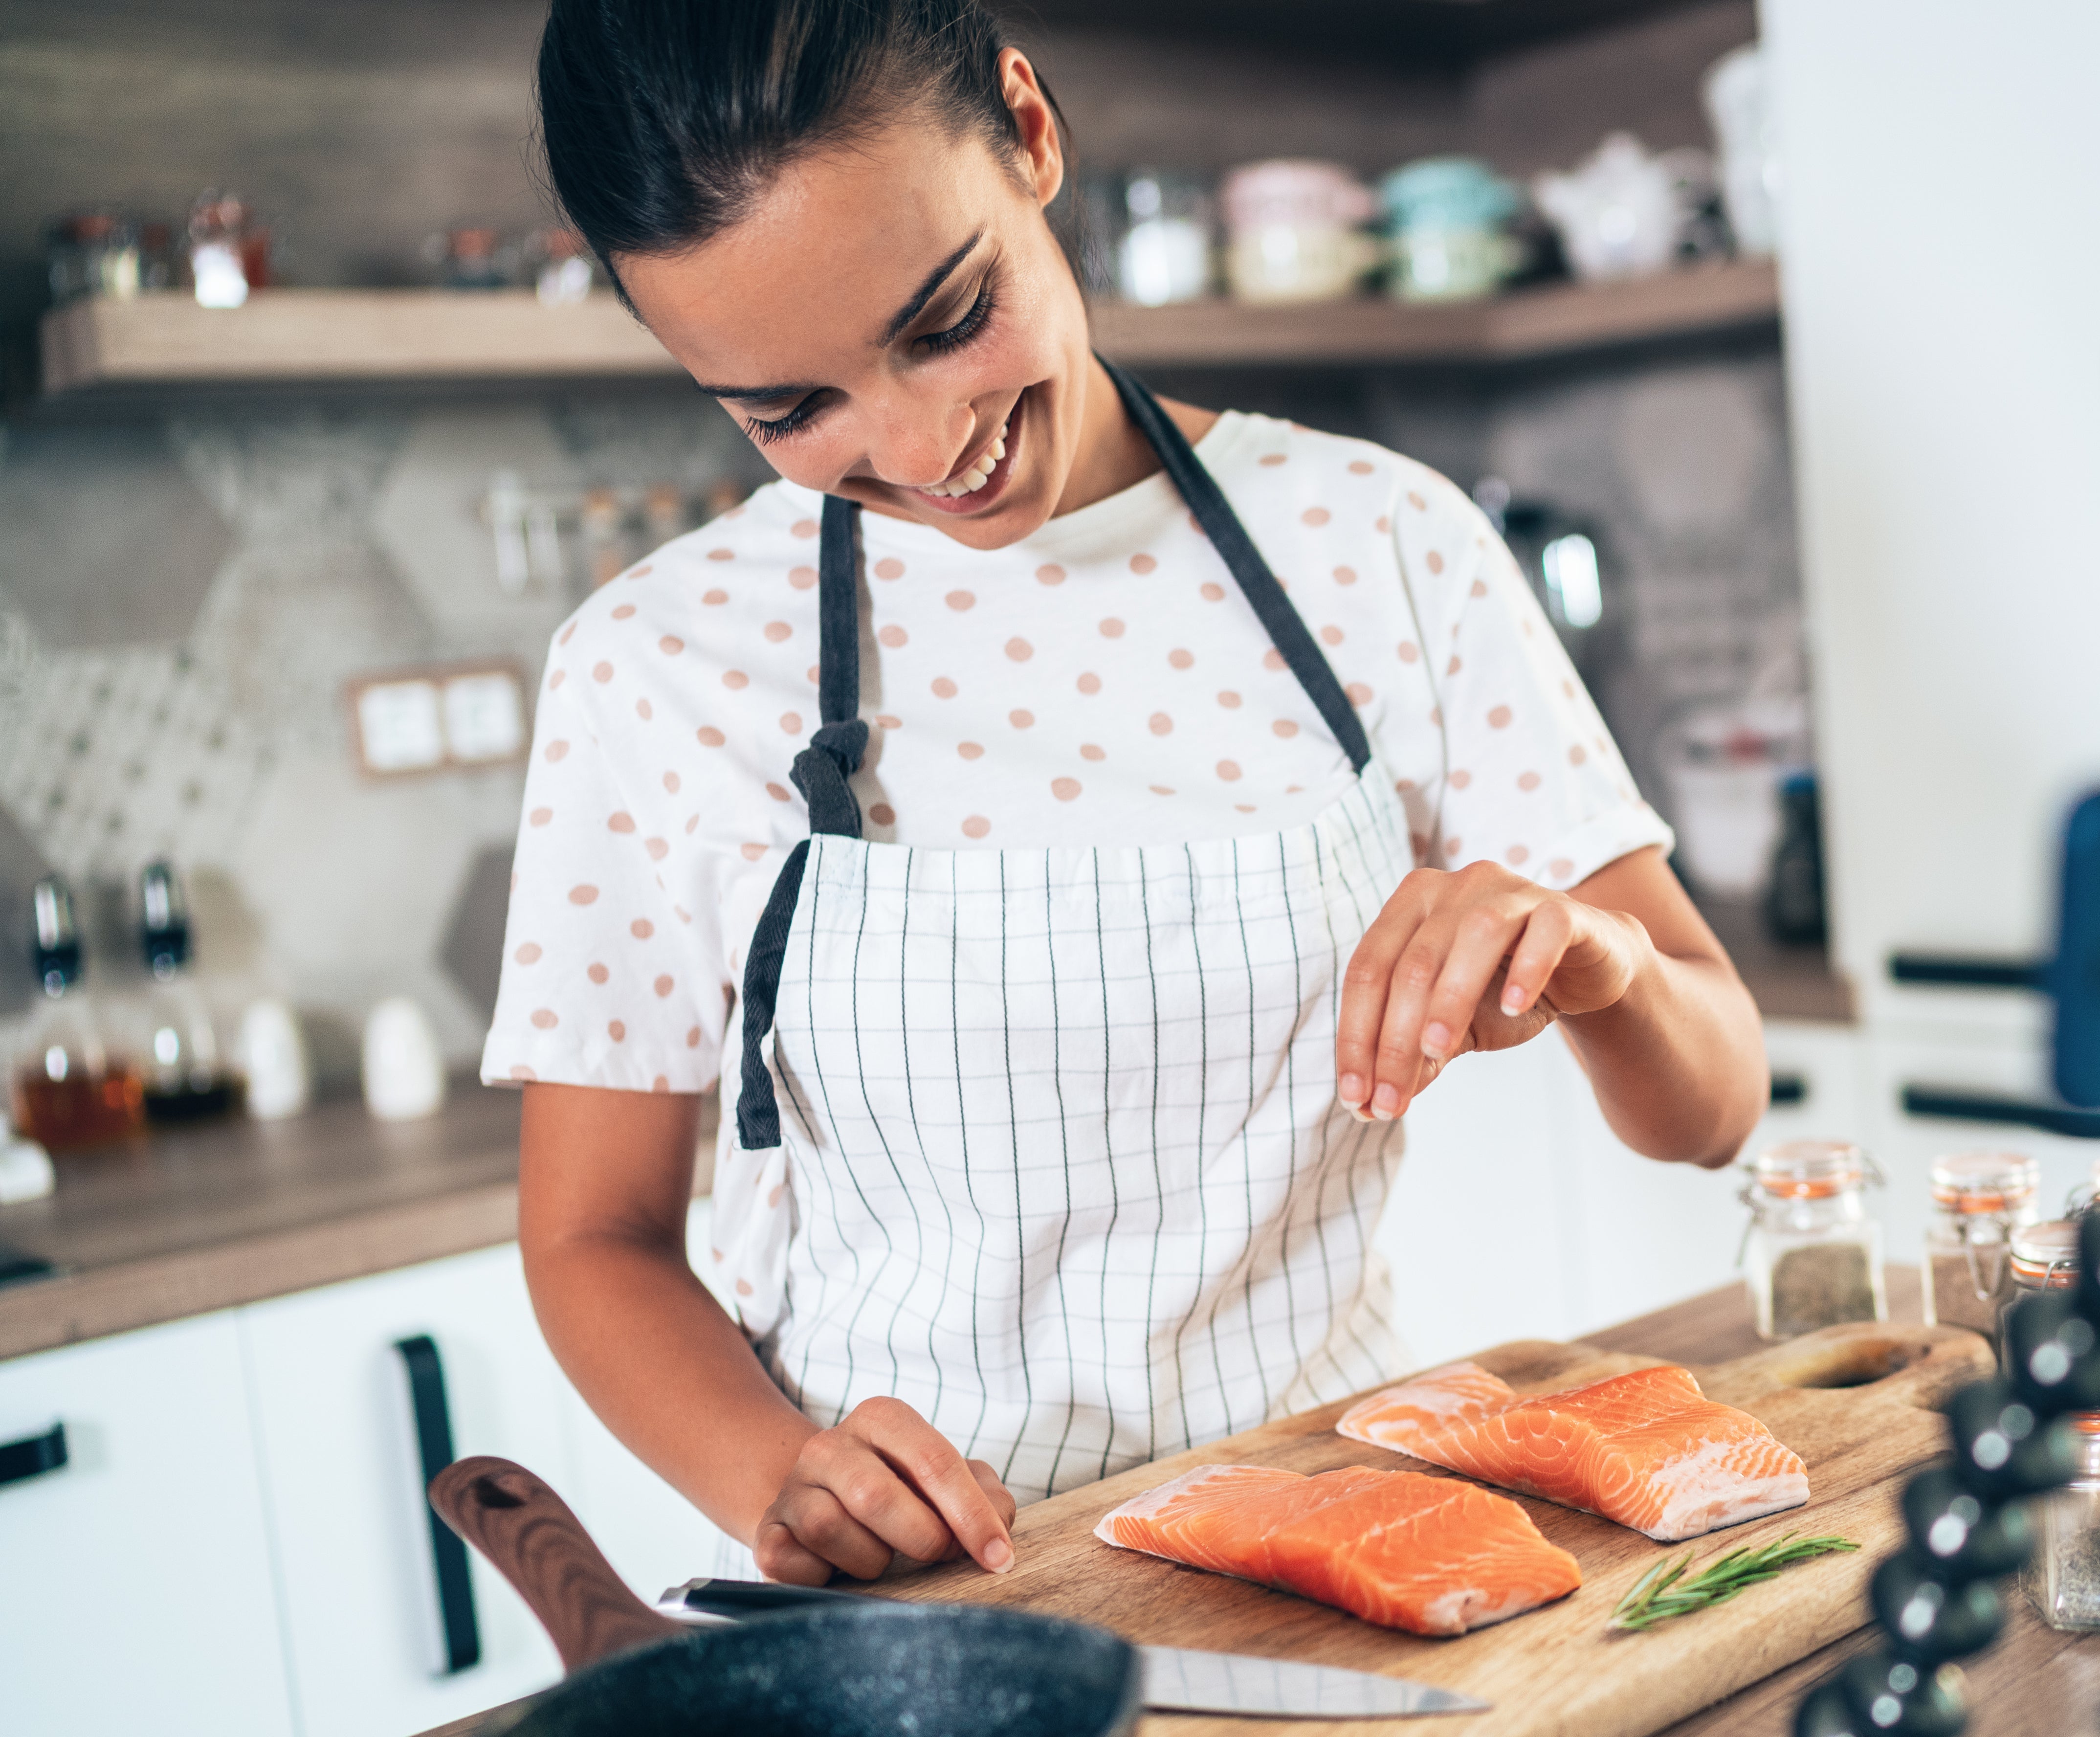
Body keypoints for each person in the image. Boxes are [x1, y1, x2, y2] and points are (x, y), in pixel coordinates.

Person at [485, 0, 1767, 1588]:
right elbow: (590, 1240)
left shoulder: (1384, 545)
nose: (924, 442)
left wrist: (1596, 958)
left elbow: (1709, 1105)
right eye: (787, 411)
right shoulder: (647, 666)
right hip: (936, 1596)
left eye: (945, 319)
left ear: (1026, 130)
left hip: (1355, 1523)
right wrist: (783, 1475)